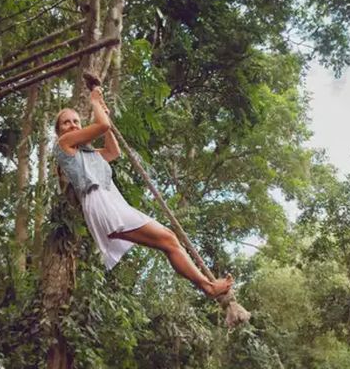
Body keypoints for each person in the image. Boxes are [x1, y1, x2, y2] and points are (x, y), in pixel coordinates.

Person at [54, 85, 233, 299]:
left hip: (111, 203)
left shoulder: (89, 153)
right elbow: (101, 125)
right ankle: (209, 287)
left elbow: (113, 151)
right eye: (67, 122)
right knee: (168, 239)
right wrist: (94, 101)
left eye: (76, 121)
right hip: (100, 203)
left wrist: (106, 117)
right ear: (59, 131)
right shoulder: (64, 144)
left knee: (168, 240)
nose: (73, 125)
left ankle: (209, 287)